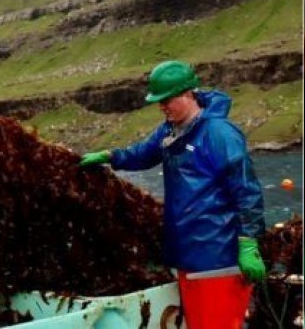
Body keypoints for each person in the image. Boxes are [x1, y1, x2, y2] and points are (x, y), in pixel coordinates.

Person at [79, 60, 266, 329]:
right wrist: (110, 156)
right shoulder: (171, 129)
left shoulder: (219, 133)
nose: (162, 106)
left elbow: (247, 190)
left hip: (217, 256)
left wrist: (249, 242)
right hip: (186, 255)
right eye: (159, 101)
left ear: (188, 94)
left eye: (167, 100)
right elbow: (143, 154)